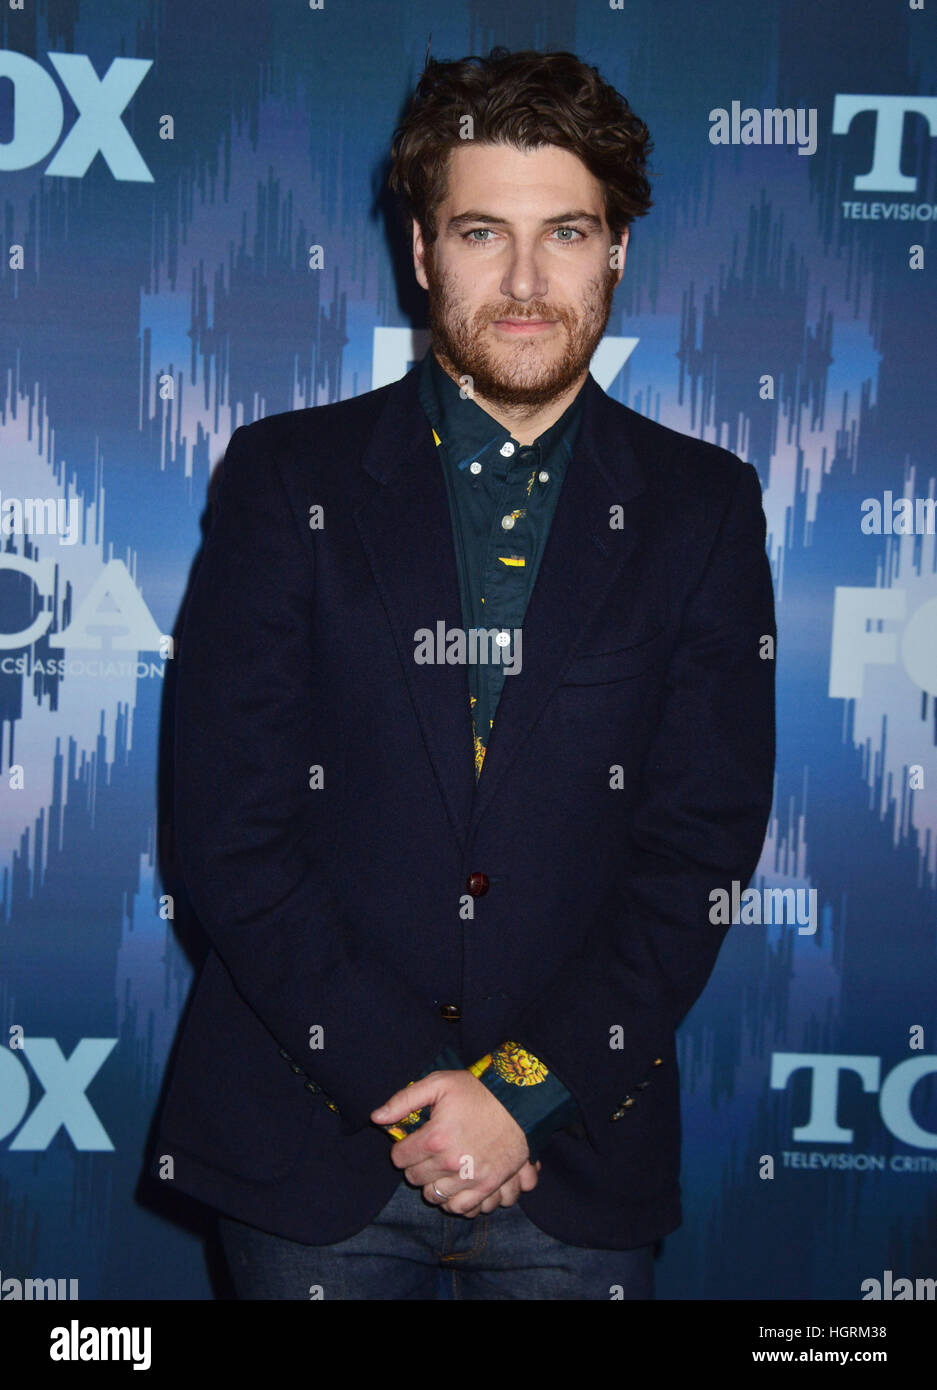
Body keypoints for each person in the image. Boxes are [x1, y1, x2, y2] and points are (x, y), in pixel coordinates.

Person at [149, 46, 776, 1300]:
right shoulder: (286, 480)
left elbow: (696, 850)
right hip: (303, 1146)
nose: (530, 282)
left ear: (617, 253)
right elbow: (227, 829)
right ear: (423, 253)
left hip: (574, 1162)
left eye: (569, 233)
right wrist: (440, 1107)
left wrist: (524, 1098)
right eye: (484, 232)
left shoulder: (703, 508)